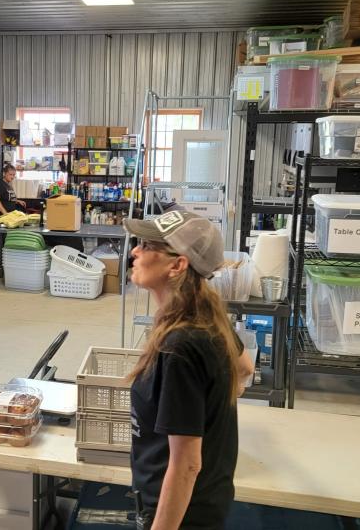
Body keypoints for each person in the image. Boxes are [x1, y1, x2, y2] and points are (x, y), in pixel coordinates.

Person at [123, 210, 254, 530]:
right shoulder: (204, 318)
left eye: (146, 245)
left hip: (181, 516)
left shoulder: (180, 346)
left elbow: (187, 465)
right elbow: (245, 367)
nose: (135, 252)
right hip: (202, 503)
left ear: (177, 264)